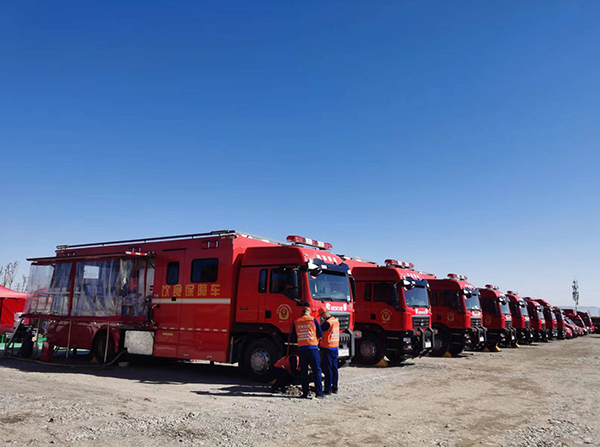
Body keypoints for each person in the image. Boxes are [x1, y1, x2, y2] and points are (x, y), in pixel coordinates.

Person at [292, 307, 323, 398]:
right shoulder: (313, 319)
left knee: (303, 371)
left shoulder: (297, 321)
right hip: (313, 348)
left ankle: (305, 392)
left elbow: (294, 337)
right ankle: (319, 393)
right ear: (309, 312)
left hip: (302, 349)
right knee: (316, 370)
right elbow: (320, 333)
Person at [319, 308, 340, 395]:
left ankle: (328, 389)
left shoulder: (327, 323)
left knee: (327, 369)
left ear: (324, 314)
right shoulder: (335, 321)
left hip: (327, 347)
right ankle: (335, 387)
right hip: (335, 347)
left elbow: (320, 331)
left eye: (321, 316)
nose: (322, 318)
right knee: (334, 368)